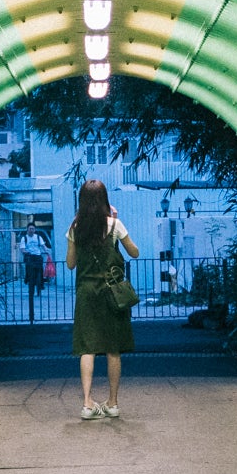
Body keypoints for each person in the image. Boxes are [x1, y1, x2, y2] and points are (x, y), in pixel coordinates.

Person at [65, 178, 139, 418]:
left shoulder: (75, 228)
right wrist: (115, 220)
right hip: (111, 295)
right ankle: (113, 403)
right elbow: (135, 253)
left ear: (82, 202)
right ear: (105, 199)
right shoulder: (115, 224)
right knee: (112, 349)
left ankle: (87, 404)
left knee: (87, 348)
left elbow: (70, 264)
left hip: (86, 293)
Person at [19, 221, 52, 321]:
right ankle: (29, 282)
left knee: (40, 271)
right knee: (29, 273)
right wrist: (26, 252)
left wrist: (46, 251)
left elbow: (43, 246)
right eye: (30, 229)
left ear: (35, 229)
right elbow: (22, 249)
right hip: (29, 257)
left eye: (33, 229)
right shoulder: (24, 238)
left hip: (38, 257)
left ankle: (40, 284)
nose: (31, 230)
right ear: (27, 229)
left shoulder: (38, 237)